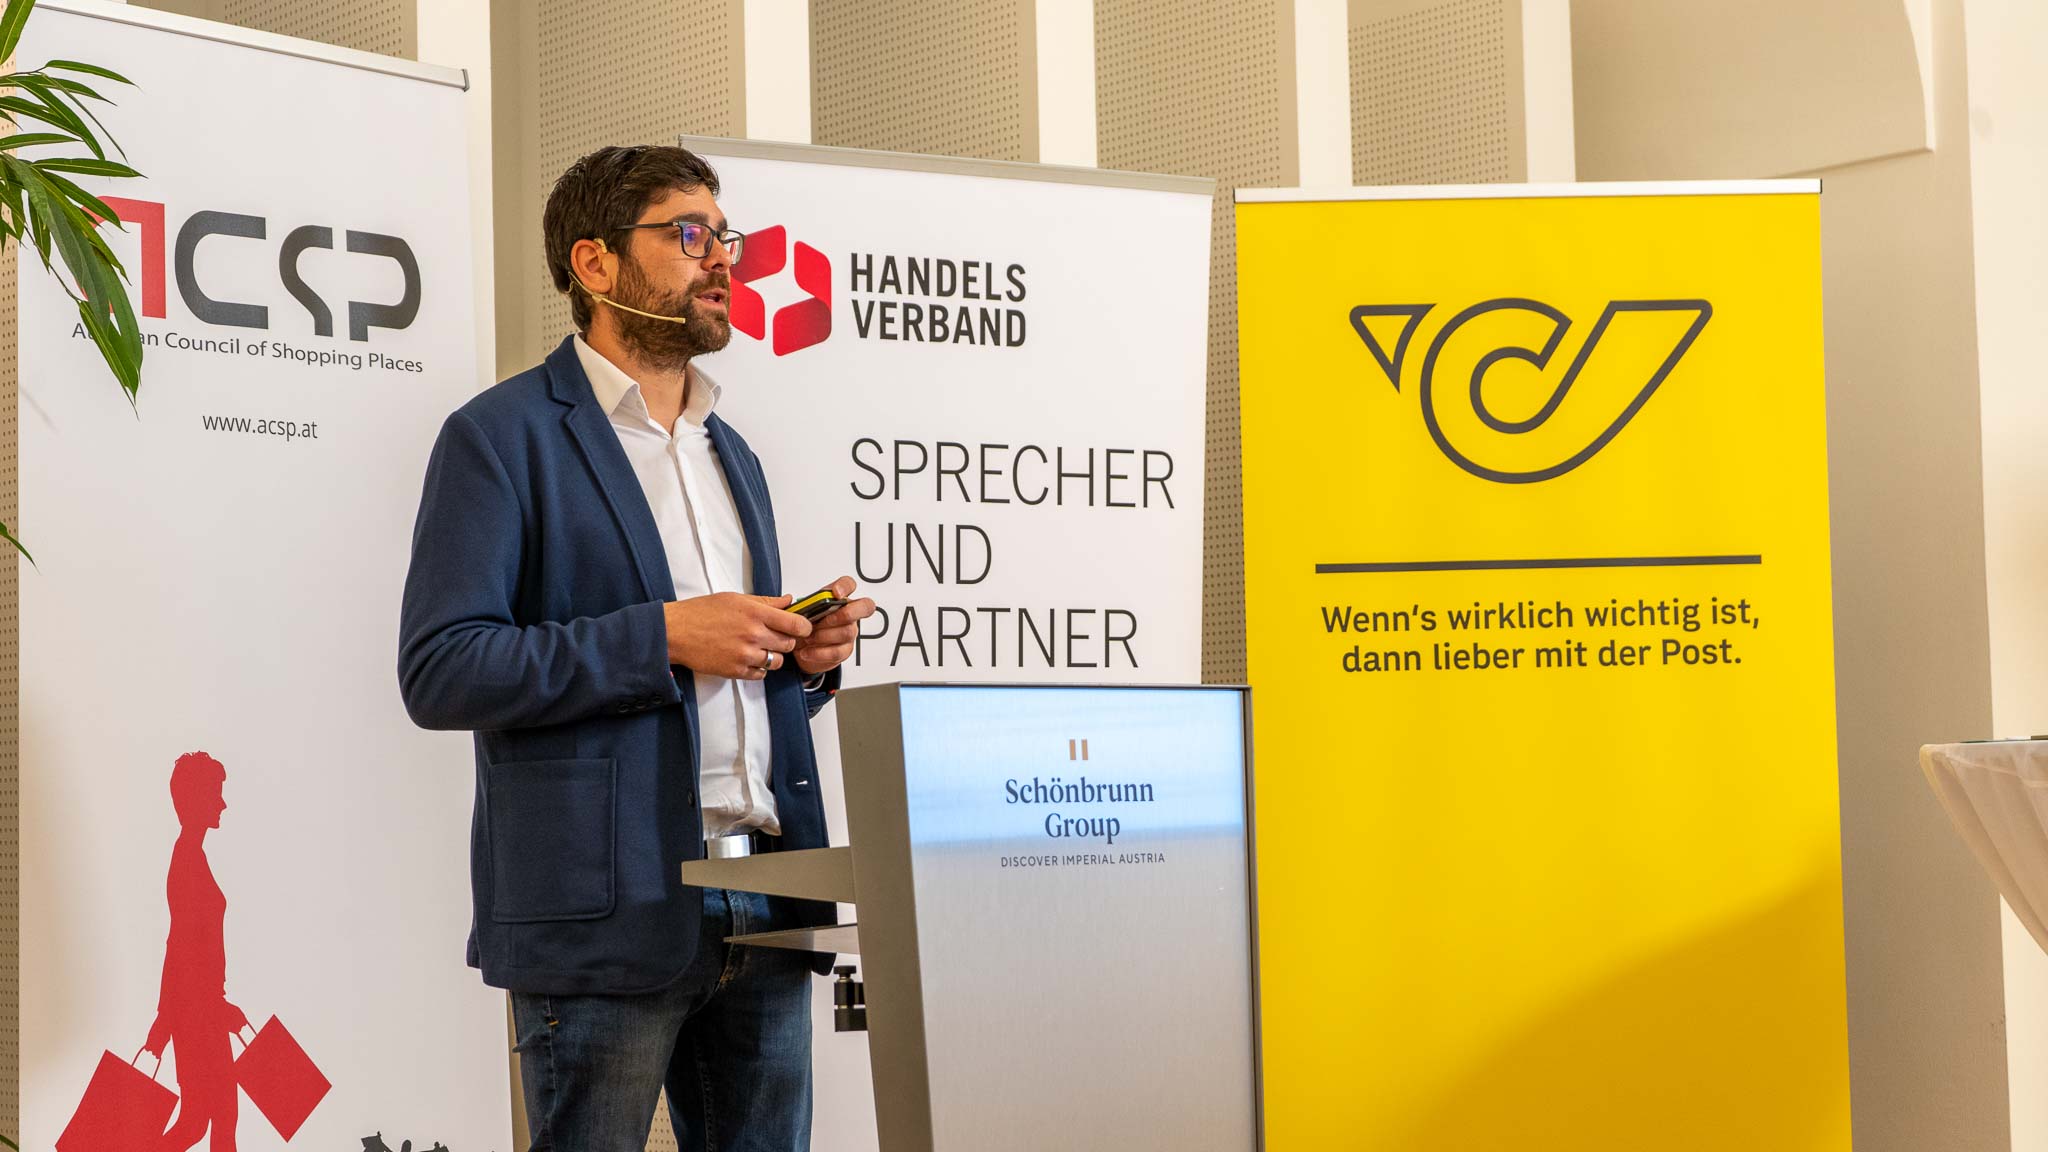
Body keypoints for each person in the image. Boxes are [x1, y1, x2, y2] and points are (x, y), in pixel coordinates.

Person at [397, 144, 874, 1151]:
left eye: (726, 237)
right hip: (605, 908)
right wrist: (662, 635)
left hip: (767, 895)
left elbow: (716, 689)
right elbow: (443, 669)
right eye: (689, 234)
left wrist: (800, 665)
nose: (722, 260)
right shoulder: (501, 437)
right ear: (594, 262)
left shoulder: (730, 452)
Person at [145, 751, 248, 1151]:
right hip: (199, 1014)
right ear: (196, 797)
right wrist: (203, 1010)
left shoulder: (190, 855)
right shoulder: (187, 858)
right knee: (213, 1122)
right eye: (216, 793)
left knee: (201, 1122)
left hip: (198, 1012)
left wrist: (167, 1018)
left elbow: (178, 946)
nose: (222, 804)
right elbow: (181, 948)